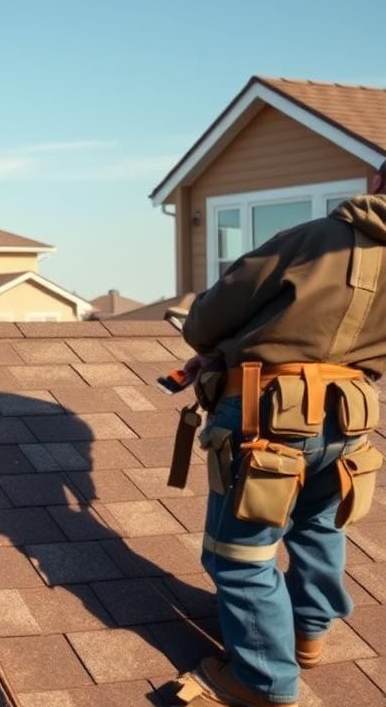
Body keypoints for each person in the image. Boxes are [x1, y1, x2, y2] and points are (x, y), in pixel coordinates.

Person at [174, 164, 386, 707]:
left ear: (377, 184)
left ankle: (263, 683)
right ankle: (305, 634)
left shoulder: (315, 238)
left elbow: (206, 319)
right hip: (350, 417)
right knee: (317, 523)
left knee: (237, 555)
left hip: (268, 413)